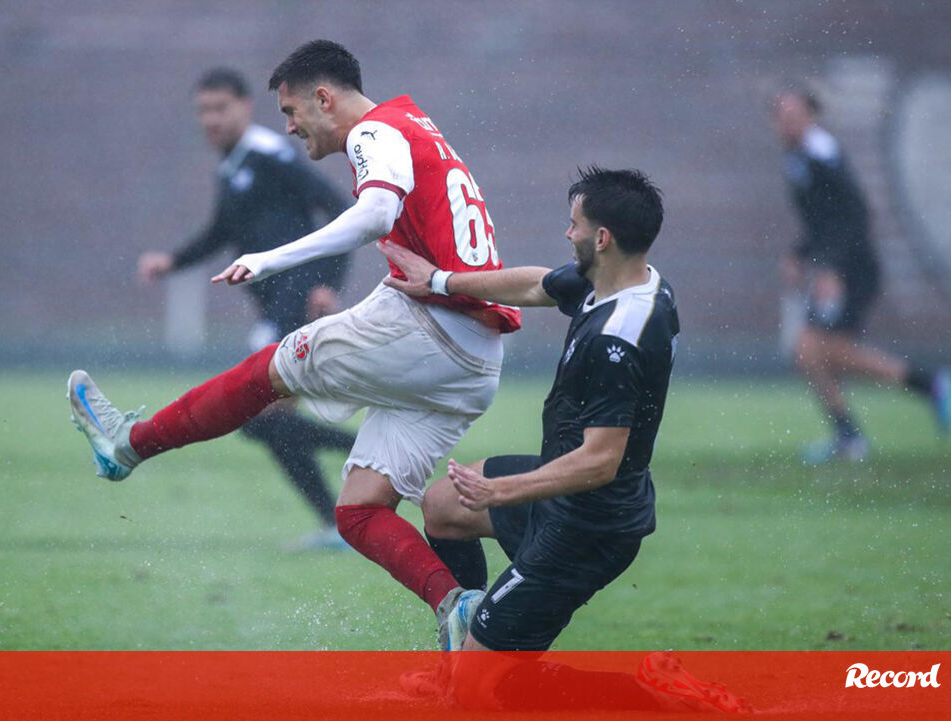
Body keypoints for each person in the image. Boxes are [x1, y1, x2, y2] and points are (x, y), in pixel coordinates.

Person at [67, 40, 521, 625]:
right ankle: (460, 614)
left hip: (430, 327)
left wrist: (270, 259)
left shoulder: (374, 131)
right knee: (358, 513)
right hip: (477, 360)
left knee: (267, 372)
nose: (288, 126)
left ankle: (126, 444)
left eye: (290, 111)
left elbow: (376, 214)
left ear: (324, 98)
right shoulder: (414, 125)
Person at [382, 168, 746, 714]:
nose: (566, 233)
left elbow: (601, 461)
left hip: (586, 528)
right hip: (565, 494)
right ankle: (465, 654)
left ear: (602, 238)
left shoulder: (619, 338)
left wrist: (503, 492)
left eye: (573, 224)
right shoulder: (626, 278)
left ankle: (650, 694)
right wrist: (440, 281)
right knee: (443, 505)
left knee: (481, 695)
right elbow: (536, 286)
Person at [138, 67, 356, 551]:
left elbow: (343, 212)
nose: (211, 119)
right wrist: (172, 262)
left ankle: (372, 461)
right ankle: (341, 513)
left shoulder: (270, 155)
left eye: (220, 108)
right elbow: (222, 231)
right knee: (263, 421)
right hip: (275, 307)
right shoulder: (233, 165)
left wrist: (326, 283)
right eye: (203, 111)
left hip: (295, 301)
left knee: (256, 415)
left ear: (245, 107)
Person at [771, 89, 949, 464]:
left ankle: (928, 386)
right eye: (780, 115)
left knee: (816, 349)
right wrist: (800, 255)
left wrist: (831, 267)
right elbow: (824, 220)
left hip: (852, 271)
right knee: (812, 352)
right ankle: (853, 434)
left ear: (812, 116)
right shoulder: (799, 157)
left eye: (792, 114)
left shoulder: (823, 155)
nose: (784, 122)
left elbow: (854, 215)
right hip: (840, 267)